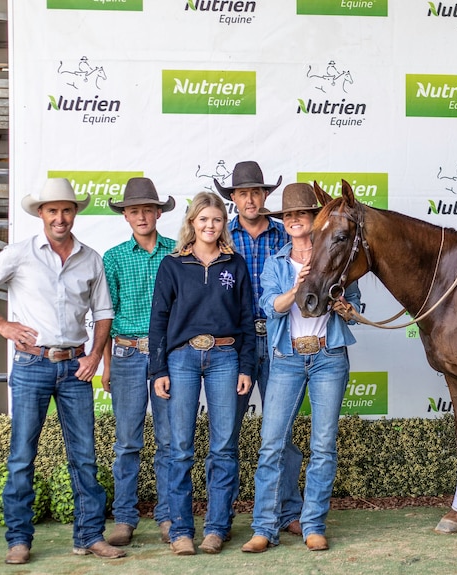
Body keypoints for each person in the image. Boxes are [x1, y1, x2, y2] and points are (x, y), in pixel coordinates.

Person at [0, 178, 125, 564]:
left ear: (75, 212)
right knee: (22, 456)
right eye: (52, 210)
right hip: (32, 364)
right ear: (40, 214)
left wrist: (95, 355)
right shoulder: (19, 254)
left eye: (66, 209)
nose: (60, 217)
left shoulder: (91, 258)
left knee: (83, 456)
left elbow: (103, 313)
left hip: (74, 367)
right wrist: (2, 325)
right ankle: (19, 540)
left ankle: (90, 537)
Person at [240, 183, 360, 554]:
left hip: (328, 356)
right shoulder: (277, 262)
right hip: (287, 358)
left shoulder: (337, 257)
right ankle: (264, 527)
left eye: (301, 215)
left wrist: (346, 309)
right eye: (288, 216)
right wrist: (297, 286)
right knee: (272, 443)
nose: (294, 221)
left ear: (314, 220)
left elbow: (355, 310)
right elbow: (270, 306)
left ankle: (313, 525)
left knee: (323, 445)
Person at [149, 191, 257, 556]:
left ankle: (216, 528)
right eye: (203, 219)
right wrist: (158, 369)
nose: (210, 226)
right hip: (181, 359)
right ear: (192, 223)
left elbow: (246, 319)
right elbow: (159, 321)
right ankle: (181, 530)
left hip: (226, 356)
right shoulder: (173, 265)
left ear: (223, 224)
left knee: (224, 447)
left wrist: (246, 366)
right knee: (180, 448)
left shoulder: (235, 264)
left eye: (216, 220)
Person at [214, 161, 304, 536]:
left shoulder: (287, 237)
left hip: (281, 336)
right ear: (232, 199)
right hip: (235, 342)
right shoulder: (221, 237)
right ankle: (222, 515)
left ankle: (289, 513)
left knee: (281, 433)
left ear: (265, 196)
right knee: (226, 432)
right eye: (241, 193)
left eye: (256, 192)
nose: (249, 199)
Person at [101, 177, 176, 547]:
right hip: (126, 353)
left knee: (168, 439)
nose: (141, 215)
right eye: (134, 210)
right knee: (127, 441)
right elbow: (104, 313)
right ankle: (125, 519)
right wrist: (107, 364)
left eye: (148, 208)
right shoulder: (112, 258)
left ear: (158, 212)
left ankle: (166, 516)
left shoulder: (177, 253)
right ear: (125, 216)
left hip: (167, 354)